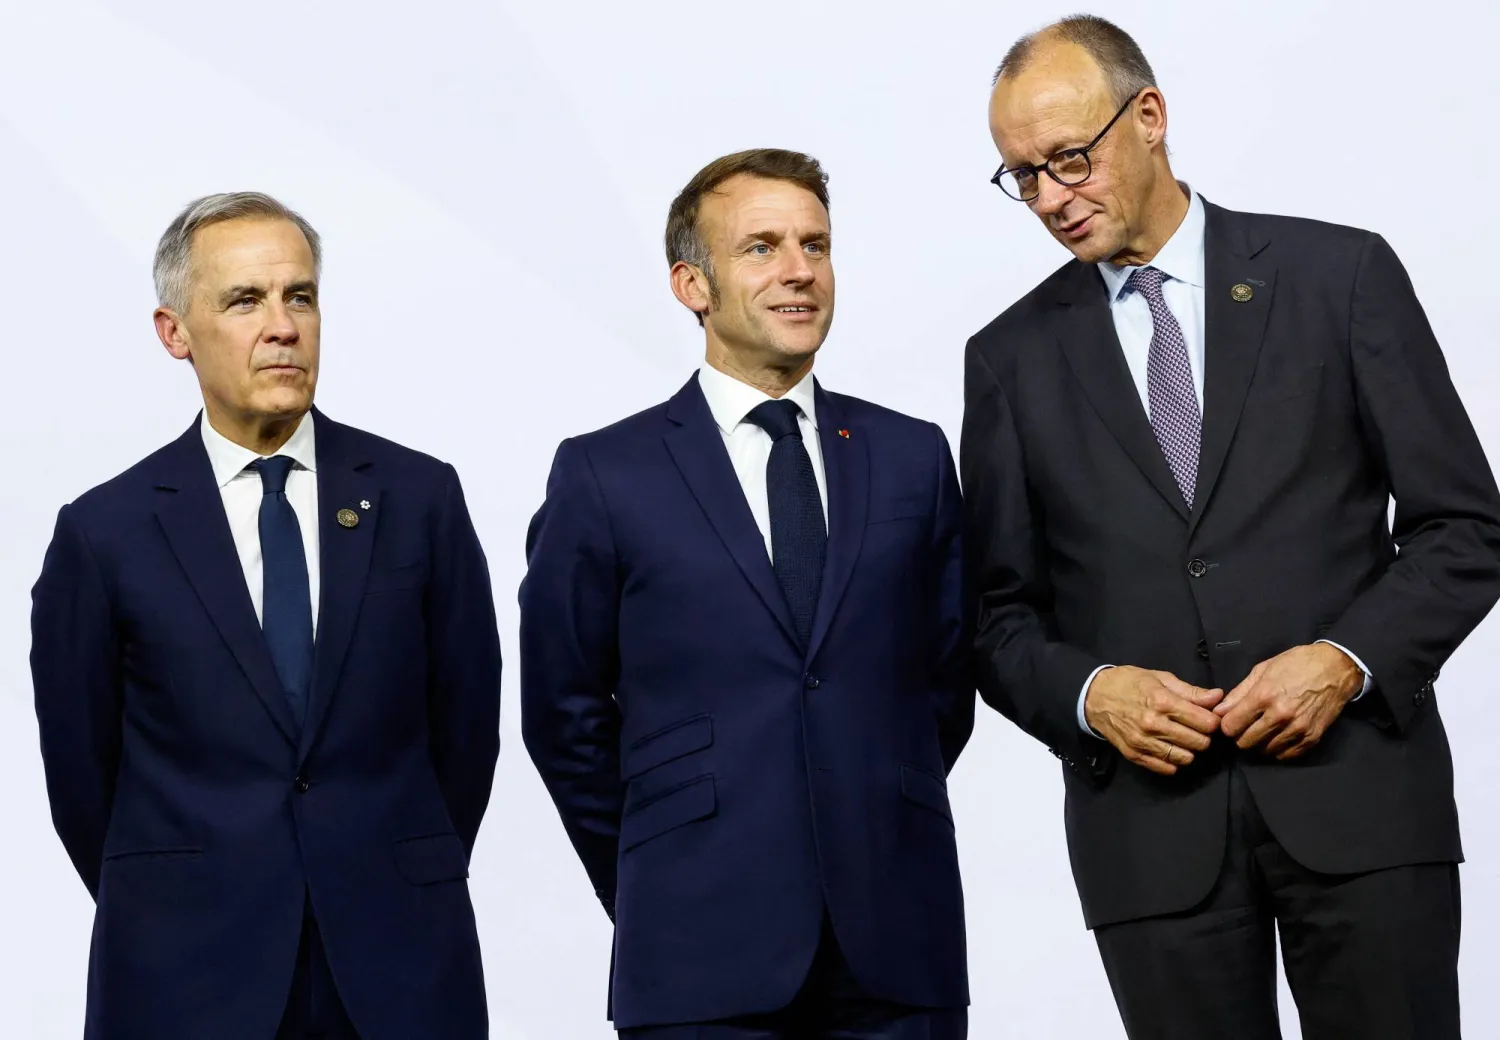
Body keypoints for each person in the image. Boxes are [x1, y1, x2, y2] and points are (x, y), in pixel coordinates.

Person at [961, 15, 1500, 1040]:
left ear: (1151, 117)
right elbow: (994, 617)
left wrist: (1346, 658)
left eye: (1069, 159)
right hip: (1153, 844)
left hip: (1364, 808)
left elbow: (1466, 527)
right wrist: (1087, 692)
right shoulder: (1009, 359)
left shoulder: (1340, 277)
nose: (1049, 198)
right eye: (1021, 176)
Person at [521, 148, 972, 1038]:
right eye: (762, 247)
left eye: (816, 244)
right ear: (693, 283)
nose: (799, 270)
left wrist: (868, 806)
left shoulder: (912, 457)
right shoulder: (605, 474)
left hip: (896, 943)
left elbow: (945, 680)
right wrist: (659, 867)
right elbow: (563, 712)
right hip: (695, 953)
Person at [30, 192, 502, 1040]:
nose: (283, 326)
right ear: (175, 333)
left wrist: (382, 865)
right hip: (185, 972)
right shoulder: (105, 533)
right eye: (246, 301)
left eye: (301, 296)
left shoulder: (420, 498)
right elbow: (82, 778)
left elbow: (465, 733)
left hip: (397, 961)